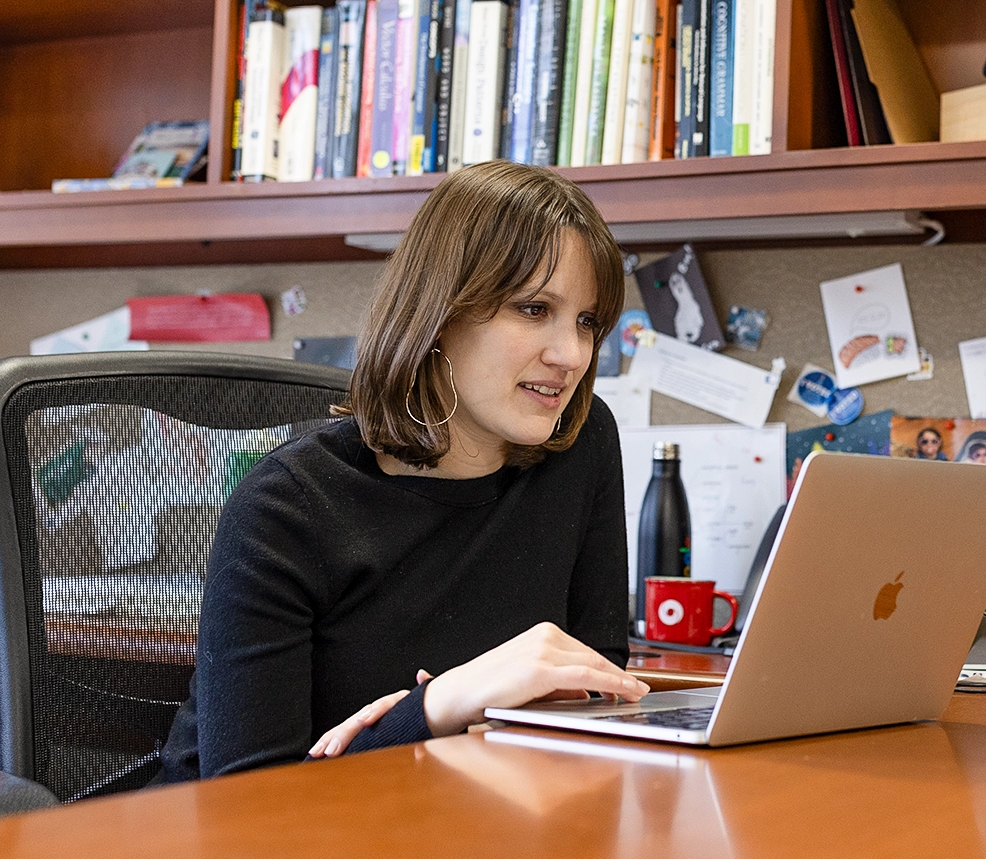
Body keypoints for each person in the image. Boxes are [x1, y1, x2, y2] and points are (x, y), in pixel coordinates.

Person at [156, 161, 649, 781]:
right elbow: (249, 803)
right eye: (532, 309)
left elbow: (593, 683)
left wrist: (430, 721)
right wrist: (440, 706)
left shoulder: (581, 442)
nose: (571, 355)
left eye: (587, 322)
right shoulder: (288, 507)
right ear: (440, 315)